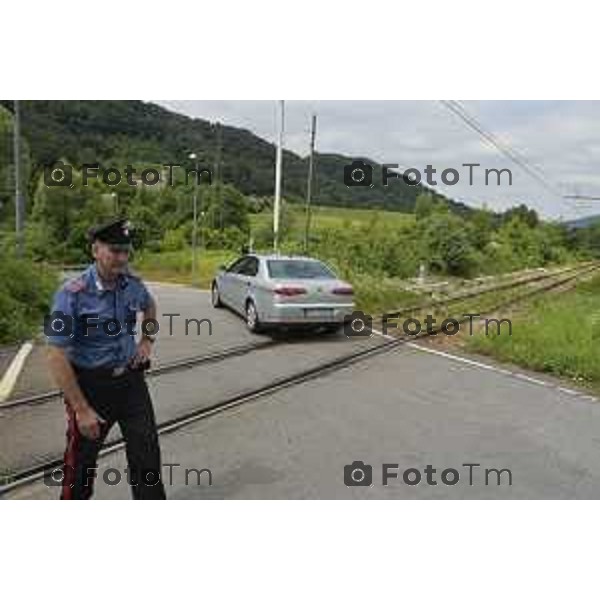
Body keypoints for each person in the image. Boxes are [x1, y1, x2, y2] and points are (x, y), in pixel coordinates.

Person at [46, 217, 166, 500]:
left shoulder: (132, 284)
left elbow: (150, 306)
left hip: (131, 384)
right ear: (95, 250)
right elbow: (55, 355)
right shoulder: (71, 294)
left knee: (147, 456)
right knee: (80, 468)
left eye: (126, 251)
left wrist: (147, 341)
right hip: (90, 389)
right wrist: (81, 409)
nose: (121, 258)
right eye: (114, 250)